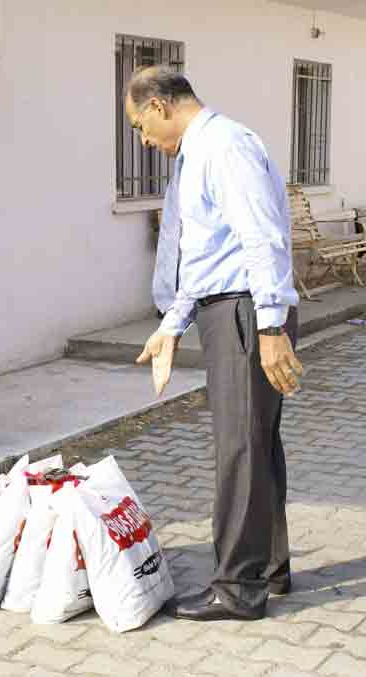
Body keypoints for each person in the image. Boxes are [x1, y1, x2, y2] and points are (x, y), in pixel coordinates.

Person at [128, 66, 303, 621]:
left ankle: (237, 589)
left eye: (138, 126)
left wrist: (271, 327)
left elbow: (261, 236)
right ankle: (268, 568)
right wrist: (172, 324)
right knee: (255, 446)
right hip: (231, 310)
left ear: (158, 106)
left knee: (241, 450)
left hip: (245, 314)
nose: (142, 140)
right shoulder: (200, 152)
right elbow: (205, 254)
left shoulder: (224, 146)